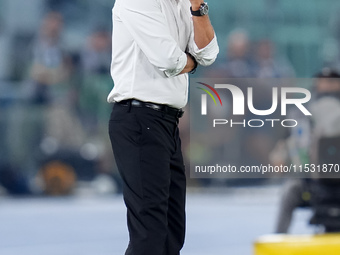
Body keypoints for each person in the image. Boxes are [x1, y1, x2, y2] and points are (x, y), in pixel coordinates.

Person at [107, 0, 219, 254]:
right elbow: (170, 60)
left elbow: (209, 53)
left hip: (167, 123)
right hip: (139, 118)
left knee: (172, 231)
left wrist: (198, 7)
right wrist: (193, 62)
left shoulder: (184, 4)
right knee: (150, 232)